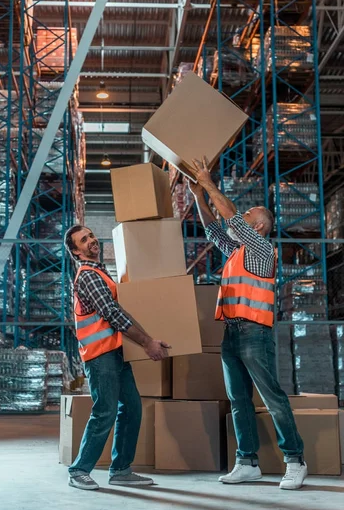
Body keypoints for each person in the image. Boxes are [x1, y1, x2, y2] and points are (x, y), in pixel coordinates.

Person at [190, 157, 307, 491]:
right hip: (232, 333)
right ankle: (247, 462)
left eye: (248, 215)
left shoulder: (260, 247)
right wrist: (200, 196)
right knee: (238, 399)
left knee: (272, 398)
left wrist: (208, 181)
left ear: (258, 227)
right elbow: (214, 228)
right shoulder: (238, 251)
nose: (241, 216)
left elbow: (229, 219)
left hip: (255, 333)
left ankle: (295, 461)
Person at [64, 224, 170, 491]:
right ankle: (79, 470)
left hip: (116, 354)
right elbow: (112, 312)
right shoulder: (88, 276)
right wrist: (147, 342)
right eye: (83, 240)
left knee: (132, 408)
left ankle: (121, 469)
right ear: (76, 252)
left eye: (90, 236)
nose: (91, 241)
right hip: (100, 357)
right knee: (105, 412)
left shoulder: (101, 272)